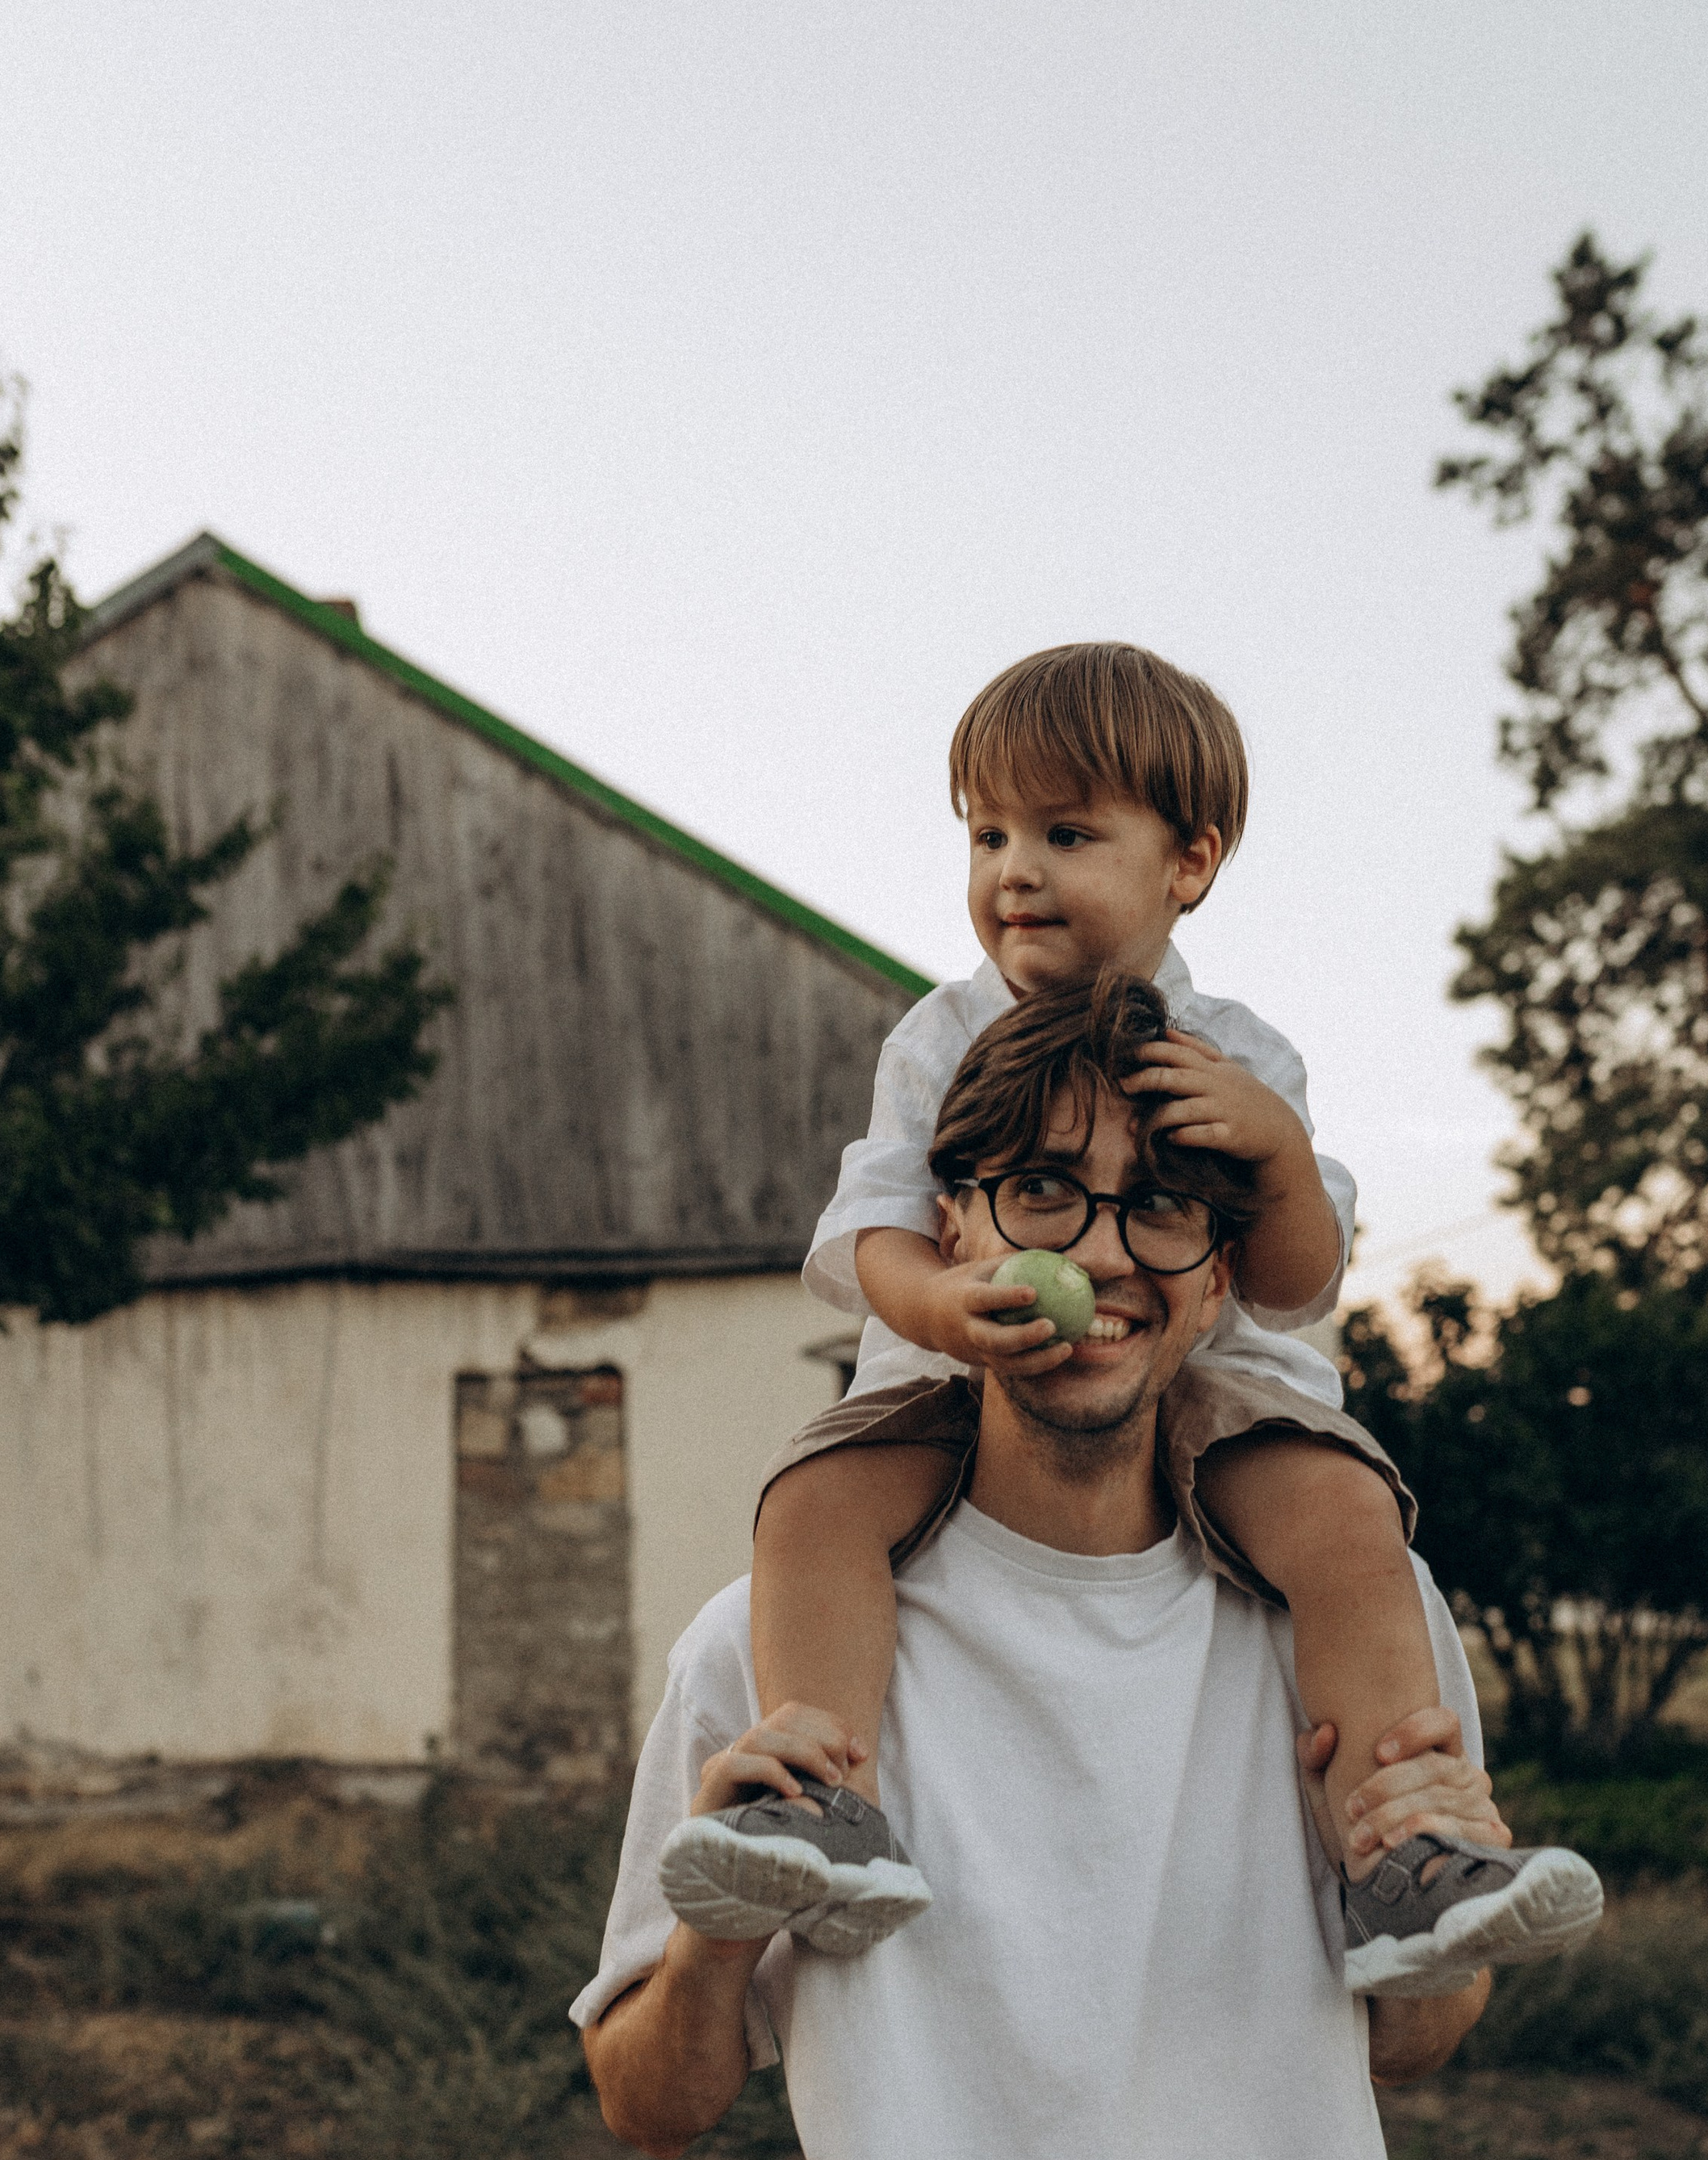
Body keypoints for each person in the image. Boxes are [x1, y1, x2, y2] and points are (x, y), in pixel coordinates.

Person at [572, 977, 1579, 2160]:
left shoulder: (1346, 1619)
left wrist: (1431, 1894)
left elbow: (1407, 2047)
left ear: (1222, 1269)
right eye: (1042, 1193)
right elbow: (644, 2102)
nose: (1099, 1258)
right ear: (945, 1225)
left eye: (1162, 1205)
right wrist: (720, 1933)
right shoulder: (768, 1642)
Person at [664, 641, 1598, 1994]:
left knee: (1346, 1521)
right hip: (960, 1378)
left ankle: (1405, 1854)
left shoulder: (1244, 1054)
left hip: (1216, 1387)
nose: (1012, 871)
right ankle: (822, 1806)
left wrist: (1273, 1154)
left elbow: (1292, 1278)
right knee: (813, 1502)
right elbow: (865, 1231)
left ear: (1190, 862)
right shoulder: (942, 1039)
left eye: (1064, 831)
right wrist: (946, 1306)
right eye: (986, 834)